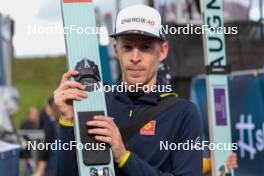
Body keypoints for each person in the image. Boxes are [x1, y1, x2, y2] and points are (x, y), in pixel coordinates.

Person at [55, 4, 203, 176]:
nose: (135, 58)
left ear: (162, 51)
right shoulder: (94, 102)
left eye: (145, 48)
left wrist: (123, 156)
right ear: (116, 50)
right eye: (127, 47)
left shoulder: (184, 113)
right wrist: (67, 121)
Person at [32, 97, 59, 176]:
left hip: (53, 167)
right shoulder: (54, 125)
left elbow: (46, 148)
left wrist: (40, 170)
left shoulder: (51, 125)